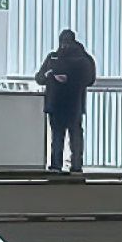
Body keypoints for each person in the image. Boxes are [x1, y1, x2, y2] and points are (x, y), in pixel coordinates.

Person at [35, 29, 98, 173]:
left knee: (59, 135)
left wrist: (53, 76)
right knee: (73, 135)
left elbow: (39, 78)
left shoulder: (54, 58)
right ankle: (75, 165)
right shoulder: (84, 59)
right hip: (73, 103)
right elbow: (90, 79)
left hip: (58, 103)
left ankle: (57, 165)